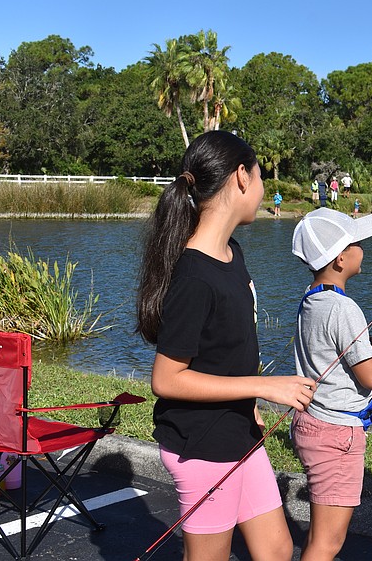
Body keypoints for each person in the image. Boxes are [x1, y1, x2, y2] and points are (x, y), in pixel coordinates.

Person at [135, 131, 318, 561]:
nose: (263, 189)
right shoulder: (194, 276)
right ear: (241, 177)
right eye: (260, 177)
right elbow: (166, 380)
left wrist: (250, 404)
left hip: (238, 431)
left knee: (276, 550)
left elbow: (226, 350)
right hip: (203, 445)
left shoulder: (232, 254)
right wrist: (263, 386)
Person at [290, 208, 372, 561]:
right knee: (328, 543)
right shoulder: (344, 309)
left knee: (319, 536)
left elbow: (337, 352)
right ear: (341, 258)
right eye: (357, 243)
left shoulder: (313, 298)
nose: (362, 248)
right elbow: (371, 375)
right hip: (336, 435)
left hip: (312, 423)